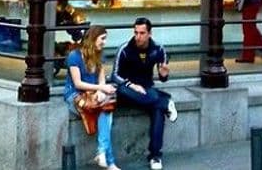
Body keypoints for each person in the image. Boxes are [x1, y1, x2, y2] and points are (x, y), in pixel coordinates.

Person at [112, 18, 178, 170]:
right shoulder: (125, 49)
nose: (138, 36)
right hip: (127, 92)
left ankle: (155, 156)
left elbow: (163, 76)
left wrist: (163, 75)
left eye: (142, 33)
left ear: (149, 33)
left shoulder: (159, 49)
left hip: (147, 91)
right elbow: (114, 76)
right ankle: (165, 101)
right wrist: (132, 86)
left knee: (157, 110)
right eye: (136, 32)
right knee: (125, 90)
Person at [64, 25, 121, 170]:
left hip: (93, 94)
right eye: (102, 38)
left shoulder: (99, 55)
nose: (104, 42)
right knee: (106, 112)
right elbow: (78, 83)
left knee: (106, 109)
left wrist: (100, 91)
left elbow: (101, 79)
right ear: (93, 38)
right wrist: (100, 88)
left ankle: (102, 154)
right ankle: (109, 160)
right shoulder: (74, 56)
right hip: (75, 95)